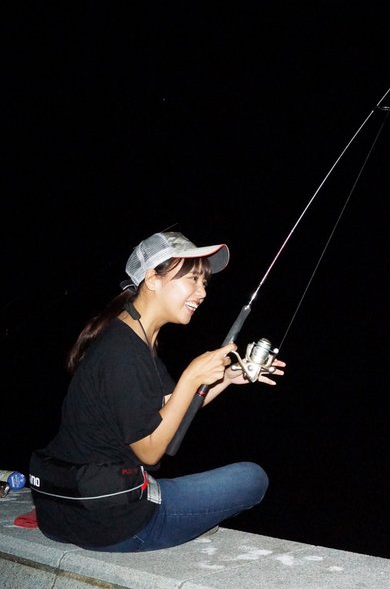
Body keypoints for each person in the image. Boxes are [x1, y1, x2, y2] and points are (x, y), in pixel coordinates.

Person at [29, 231, 283, 552]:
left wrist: (229, 377)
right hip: (111, 522)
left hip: (67, 510)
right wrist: (192, 376)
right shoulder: (122, 352)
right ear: (152, 278)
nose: (202, 292)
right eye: (192, 279)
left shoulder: (131, 335)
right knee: (252, 478)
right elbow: (149, 451)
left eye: (204, 282)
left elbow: (168, 405)